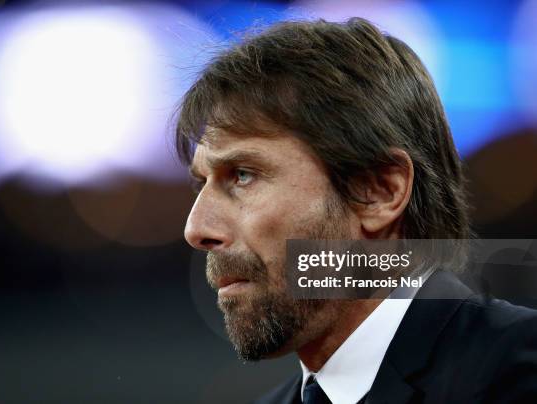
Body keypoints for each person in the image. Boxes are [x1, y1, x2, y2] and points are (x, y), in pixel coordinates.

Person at [174, 18, 537, 403]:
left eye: (243, 175)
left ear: (380, 192)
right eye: (202, 183)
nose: (196, 229)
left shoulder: (519, 371)